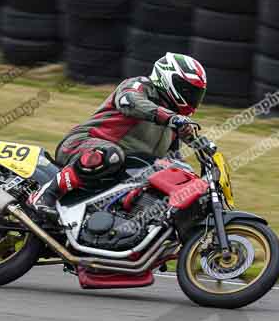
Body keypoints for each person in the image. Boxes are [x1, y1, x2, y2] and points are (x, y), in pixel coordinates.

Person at [28, 52, 207, 217]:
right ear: (169, 79)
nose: (192, 99)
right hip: (83, 145)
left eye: (196, 94)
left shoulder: (173, 124)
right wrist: (171, 118)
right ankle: (45, 195)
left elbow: (172, 161)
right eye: (188, 91)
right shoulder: (140, 86)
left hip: (118, 172)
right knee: (111, 155)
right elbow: (128, 101)